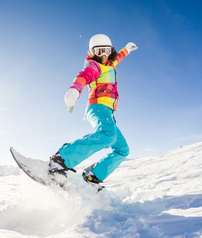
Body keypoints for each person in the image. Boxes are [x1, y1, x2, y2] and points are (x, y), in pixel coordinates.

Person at [48, 34, 138, 188]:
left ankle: (93, 176)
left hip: (108, 113)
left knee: (122, 149)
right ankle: (61, 159)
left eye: (106, 50)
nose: (103, 55)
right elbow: (84, 76)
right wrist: (74, 91)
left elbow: (118, 57)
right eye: (99, 51)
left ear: (110, 51)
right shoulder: (94, 66)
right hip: (97, 107)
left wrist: (127, 49)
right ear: (92, 52)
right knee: (108, 135)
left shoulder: (110, 64)